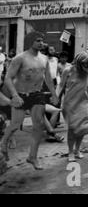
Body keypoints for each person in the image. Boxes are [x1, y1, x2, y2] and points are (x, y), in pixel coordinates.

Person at [0, 31, 58, 170]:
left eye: (42, 40)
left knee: (38, 126)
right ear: (31, 42)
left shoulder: (44, 58)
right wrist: (15, 95)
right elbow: (8, 78)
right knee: (15, 125)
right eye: (38, 40)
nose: (41, 43)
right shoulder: (20, 58)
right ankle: (3, 143)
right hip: (21, 95)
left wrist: (54, 95)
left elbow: (48, 79)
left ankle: (32, 156)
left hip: (37, 95)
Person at [59, 52, 88, 162]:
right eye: (84, 64)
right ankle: (70, 152)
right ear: (78, 62)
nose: (86, 66)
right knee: (72, 129)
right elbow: (60, 85)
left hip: (84, 103)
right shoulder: (68, 71)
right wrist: (55, 96)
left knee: (83, 127)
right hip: (70, 104)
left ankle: (77, 149)